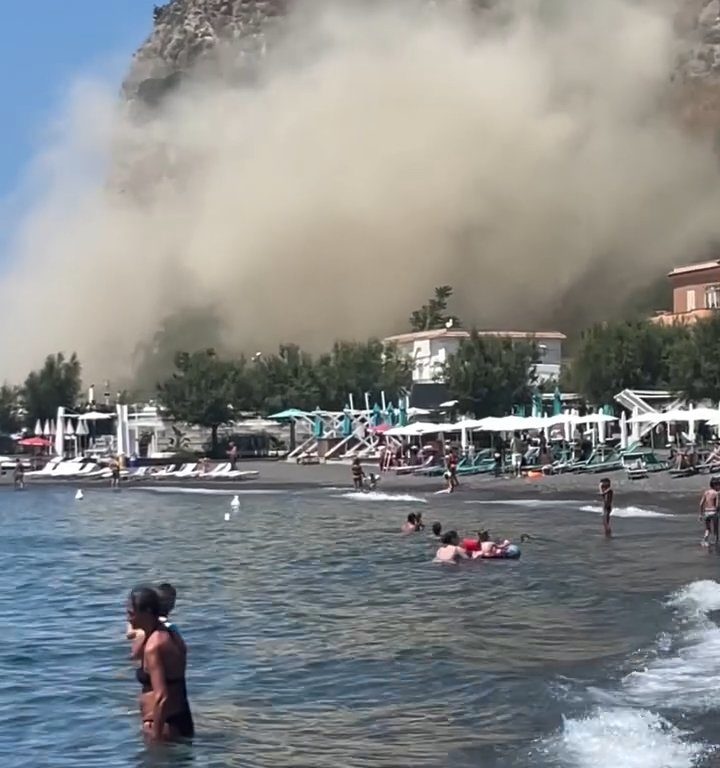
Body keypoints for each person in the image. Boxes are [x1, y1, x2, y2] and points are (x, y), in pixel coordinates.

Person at [126, 586, 194, 741]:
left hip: (164, 728)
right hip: (177, 720)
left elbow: (162, 697)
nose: (128, 619)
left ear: (147, 612)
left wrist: (155, 737)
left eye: (131, 613)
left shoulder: (155, 645)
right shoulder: (168, 633)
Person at [699, 477, 720, 545]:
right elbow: (717, 505)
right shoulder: (716, 493)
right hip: (714, 512)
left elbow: (701, 504)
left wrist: (701, 514)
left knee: (708, 529)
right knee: (716, 528)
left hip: (706, 512)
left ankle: (705, 540)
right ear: (715, 485)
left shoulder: (706, 492)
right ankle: (716, 541)